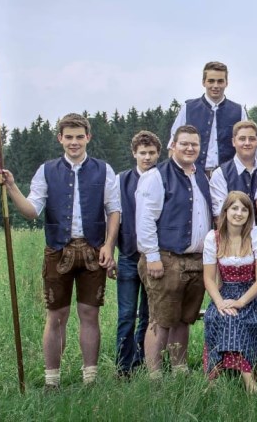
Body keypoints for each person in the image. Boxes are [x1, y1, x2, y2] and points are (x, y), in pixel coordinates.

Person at [3, 113, 120, 388]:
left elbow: (114, 210)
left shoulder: (104, 169)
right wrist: (11, 186)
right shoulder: (46, 170)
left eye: (80, 136)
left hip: (93, 250)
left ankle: (90, 379)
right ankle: (51, 381)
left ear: (88, 137)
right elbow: (32, 211)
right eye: (69, 137)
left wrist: (108, 246)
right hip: (58, 250)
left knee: (90, 315)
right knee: (56, 316)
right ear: (60, 139)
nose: (74, 142)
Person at [135, 125, 211, 379]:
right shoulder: (156, 176)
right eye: (184, 144)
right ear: (172, 146)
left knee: (184, 318)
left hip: (195, 260)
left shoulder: (201, 176)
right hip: (166, 258)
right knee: (160, 319)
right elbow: (145, 219)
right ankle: (154, 375)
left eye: (194, 144)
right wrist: (153, 257)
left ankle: (179, 369)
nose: (190, 148)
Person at [202, 192, 257, 393]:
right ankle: (236, 379)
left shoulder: (255, 235)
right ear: (226, 211)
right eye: (234, 208)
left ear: (249, 214)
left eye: (244, 209)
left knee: (237, 319)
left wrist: (241, 302)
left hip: (251, 295)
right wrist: (220, 302)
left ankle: (240, 379)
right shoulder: (213, 238)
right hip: (224, 294)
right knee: (220, 317)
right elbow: (209, 278)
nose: (239, 213)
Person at [115, 130, 161, 377]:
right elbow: (112, 217)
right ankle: (123, 367)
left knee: (148, 313)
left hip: (153, 258)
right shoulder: (121, 180)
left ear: (158, 154)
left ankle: (143, 362)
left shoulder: (161, 178)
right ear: (134, 153)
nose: (147, 157)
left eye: (151, 153)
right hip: (128, 256)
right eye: (142, 153)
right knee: (126, 314)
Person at [168, 61, 248, 173]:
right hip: (194, 175)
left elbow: (246, 148)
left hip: (229, 176)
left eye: (220, 81)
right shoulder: (188, 109)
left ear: (226, 83)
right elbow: (173, 146)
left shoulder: (239, 111)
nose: (215, 86)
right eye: (211, 81)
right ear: (203, 82)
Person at [210, 121, 257, 225]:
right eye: (242, 139)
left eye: (251, 139)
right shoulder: (220, 174)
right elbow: (219, 216)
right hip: (233, 239)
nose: (247, 143)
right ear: (233, 142)